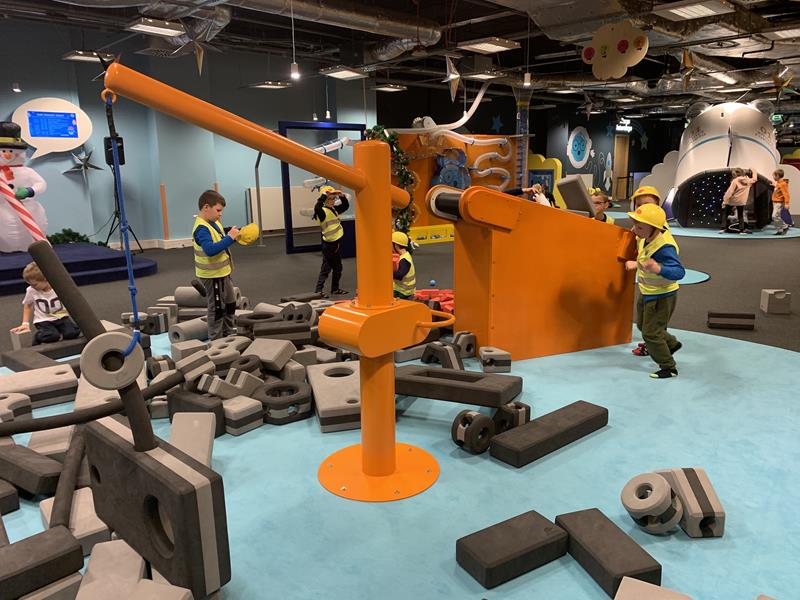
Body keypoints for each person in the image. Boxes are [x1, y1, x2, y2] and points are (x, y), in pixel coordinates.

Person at [624, 204, 686, 379]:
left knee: (650, 333)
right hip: (648, 291)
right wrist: (638, 229)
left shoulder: (664, 248)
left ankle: (668, 367)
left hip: (662, 296)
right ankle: (671, 343)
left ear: (655, 229)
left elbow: (679, 272)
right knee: (643, 325)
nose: (635, 230)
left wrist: (658, 268)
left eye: (640, 227)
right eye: (635, 225)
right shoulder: (646, 236)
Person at [192, 190, 240, 340]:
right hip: (212, 275)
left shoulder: (213, 222)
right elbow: (210, 250)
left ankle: (228, 333)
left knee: (231, 303)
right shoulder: (201, 229)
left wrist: (233, 233)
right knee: (217, 309)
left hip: (222, 272)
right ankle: (216, 340)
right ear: (206, 207)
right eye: (218, 210)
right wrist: (230, 238)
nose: (220, 214)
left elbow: (219, 234)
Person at [11, 262, 80, 345]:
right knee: (52, 336)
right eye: (30, 284)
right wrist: (25, 324)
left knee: (72, 333)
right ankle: (38, 337)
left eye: (35, 284)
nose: (32, 286)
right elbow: (27, 306)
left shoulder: (59, 286)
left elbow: (72, 301)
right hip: (43, 320)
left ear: (46, 279)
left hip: (61, 316)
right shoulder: (31, 290)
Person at [312, 185, 349, 297]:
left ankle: (334, 289)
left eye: (333, 198)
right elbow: (317, 208)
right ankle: (319, 291)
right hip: (329, 245)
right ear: (325, 200)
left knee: (337, 267)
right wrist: (323, 196)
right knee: (327, 268)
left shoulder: (333, 209)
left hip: (335, 243)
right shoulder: (322, 212)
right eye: (330, 199)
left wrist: (342, 196)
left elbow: (345, 206)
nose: (332, 201)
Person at [721, 168, 757, 234]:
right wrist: (754, 170)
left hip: (733, 200)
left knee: (726, 213)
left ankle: (723, 228)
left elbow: (729, 192)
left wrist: (724, 201)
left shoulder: (735, 181)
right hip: (742, 201)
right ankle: (741, 230)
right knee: (740, 215)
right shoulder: (748, 180)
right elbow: (755, 179)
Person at [392, 231, 416, 299]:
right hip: (402, 289)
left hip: (403, 292)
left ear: (396, 245)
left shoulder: (404, 260)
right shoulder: (404, 255)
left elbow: (399, 275)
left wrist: (386, 273)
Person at [769, 169, 790, 236]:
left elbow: (786, 194)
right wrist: (775, 185)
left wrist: (786, 203)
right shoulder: (779, 183)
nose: (773, 177)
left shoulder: (783, 184)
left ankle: (781, 228)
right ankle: (784, 227)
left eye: (774, 176)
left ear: (777, 176)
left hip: (779, 203)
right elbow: (778, 189)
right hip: (775, 202)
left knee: (774, 216)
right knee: (777, 216)